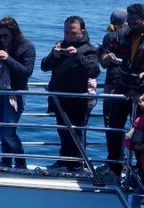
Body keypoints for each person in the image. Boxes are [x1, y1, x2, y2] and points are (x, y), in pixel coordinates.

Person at [100, 4, 144, 174]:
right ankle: (114, 166)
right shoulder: (124, 34)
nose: (131, 26)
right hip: (122, 91)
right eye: (129, 22)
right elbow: (103, 49)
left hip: (142, 95)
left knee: (141, 134)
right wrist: (106, 56)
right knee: (114, 127)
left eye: (135, 23)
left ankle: (141, 169)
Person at [40, 15, 100, 170]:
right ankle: (64, 160)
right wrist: (54, 54)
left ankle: (77, 164)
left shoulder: (89, 50)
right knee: (63, 132)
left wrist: (78, 56)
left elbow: (94, 71)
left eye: (73, 33)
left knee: (76, 133)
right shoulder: (60, 46)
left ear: (82, 32)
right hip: (59, 99)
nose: (69, 36)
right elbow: (44, 66)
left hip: (78, 100)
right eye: (66, 32)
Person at [0, 16, 36, 170]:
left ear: (14, 33)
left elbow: (26, 72)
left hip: (16, 93)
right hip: (0, 91)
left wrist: (8, 58)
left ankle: (21, 162)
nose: (2, 39)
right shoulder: (1, 45)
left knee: (8, 130)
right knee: (2, 129)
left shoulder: (27, 47)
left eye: (6, 36)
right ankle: (6, 161)